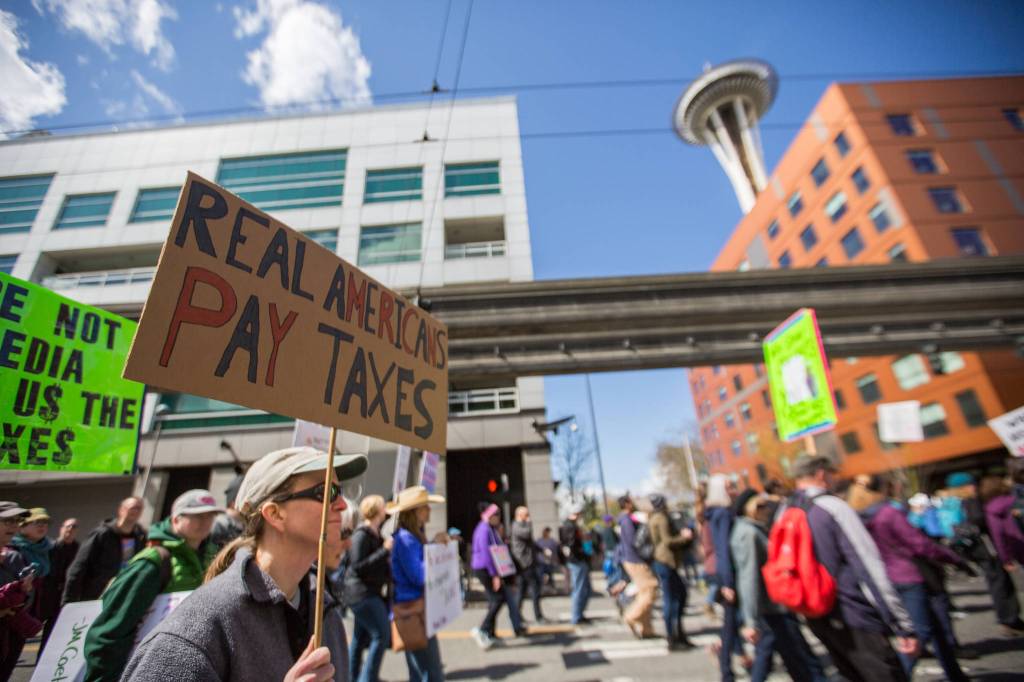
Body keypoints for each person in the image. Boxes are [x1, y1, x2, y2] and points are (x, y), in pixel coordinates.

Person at [122, 447, 368, 681]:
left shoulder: (325, 611)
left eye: (340, 491)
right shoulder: (197, 630)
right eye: (326, 493)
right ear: (274, 514)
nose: (342, 505)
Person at [787, 455, 916, 682]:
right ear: (820, 474)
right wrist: (901, 622)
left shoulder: (786, 511)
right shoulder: (832, 507)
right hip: (854, 611)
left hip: (816, 612)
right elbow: (868, 565)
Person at [83, 490, 223, 681]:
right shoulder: (152, 562)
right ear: (176, 520)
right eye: (198, 516)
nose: (205, 522)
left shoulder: (214, 558)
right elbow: (110, 631)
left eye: (210, 516)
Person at [848, 476, 970, 681]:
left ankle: (955, 673)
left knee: (934, 627)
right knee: (919, 633)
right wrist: (952, 558)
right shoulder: (887, 513)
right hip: (910, 575)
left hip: (888, 576)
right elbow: (919, 543)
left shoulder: (860, 518)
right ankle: (898, 676)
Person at [731, 489, 827, 682]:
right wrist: (750, 619)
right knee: (801, 659)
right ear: (750, 508)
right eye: (761, 506)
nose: (766, 509)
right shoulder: (748, 533)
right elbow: (748, 577)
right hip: (772, 608)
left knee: (792, 659)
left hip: (775, 605)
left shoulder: (755, 529)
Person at [944, 471, 1024, 636]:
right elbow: (978, 520)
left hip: (979, 549)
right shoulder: (970, 501)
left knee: (999, 582)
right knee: (999, 583)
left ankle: (1010, 618)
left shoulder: (956, 502)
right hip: (986, 548)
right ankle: (1009, 619)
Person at [389, 485, 448, 682]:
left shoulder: (410, 537)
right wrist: (436, 549)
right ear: (416, 512)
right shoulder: (407, 539)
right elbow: (419, 575)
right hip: (414, 611)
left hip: (414, 610)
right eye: (426, 506)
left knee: (420, 672)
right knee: (431, 673)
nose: (429, 510)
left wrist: (432, 546)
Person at [63, 497, 146, 604]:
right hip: (94, 597)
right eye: (133, 507)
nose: (136, 511)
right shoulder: (102, 534)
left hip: (122, 596)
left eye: (139, 508)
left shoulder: (140, 538)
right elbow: (78, 567)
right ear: (121, 510)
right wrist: (68, 602)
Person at [345, 495, 392, 682]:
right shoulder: (361, 534)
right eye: (382, 506)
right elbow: (358, 566)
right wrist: (384, 551)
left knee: (359, 639)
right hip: (362, 594)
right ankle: (367, 678)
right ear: (376, 510)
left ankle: (353, 677)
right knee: (381, 634)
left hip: (367, 592)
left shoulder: (375, 533)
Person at [705, 474, 746, 681]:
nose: (734, 490)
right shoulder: (722, 514)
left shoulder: (719, 513)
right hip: (729, 574)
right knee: (731, 622)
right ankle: (726, 667)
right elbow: (722, 548)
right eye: (730, 487)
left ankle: (731, 659)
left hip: (727, 573)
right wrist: (727, 582)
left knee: (733, 622)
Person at [471, 503, 525, 649]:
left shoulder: (488, 529)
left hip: (488, 569)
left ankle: (490, 633)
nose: (499, 518)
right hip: (485, 569)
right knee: (497, 599)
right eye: (497, 515)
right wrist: (494, 575)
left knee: (494, 599)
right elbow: (487, 553)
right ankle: (483, 629)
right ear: (490, 515)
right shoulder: (484, 529)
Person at [647, 494, 694, 649]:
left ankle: (677, 633)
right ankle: (672, 636)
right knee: (672, 599)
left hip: (665, 561)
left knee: (678, 596)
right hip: (665, 561)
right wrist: (684, 537)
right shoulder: (660, 518)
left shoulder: (655, 517)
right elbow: (667, 540)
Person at [0, 501, 38, 681]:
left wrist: (24, 590)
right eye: (8, 521)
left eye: (17, 521)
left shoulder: (13, 556)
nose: (14, 526)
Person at [616, 495, 657, 638]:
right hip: (635, 560)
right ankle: (631, 616)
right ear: (626, 504)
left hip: (632, 559)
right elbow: (635, 543)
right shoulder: (627, 521)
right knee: (650, 589)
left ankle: (646, 629)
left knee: (643, 592)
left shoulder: (626, 521)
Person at [11, 509, 54, 633]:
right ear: (22, 527)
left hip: (36, 606)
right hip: (15, 606)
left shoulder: (49, 548)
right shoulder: (12, 548)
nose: (43, 526)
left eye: (45, 522)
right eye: (37, 522)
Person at [40, 518, 80, 647]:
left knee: (53, 631)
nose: (70, 529)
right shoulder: (51, 547)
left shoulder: (78, 549)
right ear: (61, 528)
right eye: (67, 526)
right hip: (47, 593)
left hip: (64, 595)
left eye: (73, 527)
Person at [510, 505, 546, 624]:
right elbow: (526, 534)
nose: (528, 517)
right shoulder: (516, 526)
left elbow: (531, 543)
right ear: (520, 515)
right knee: (534, 589)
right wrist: (529, 523)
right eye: (526, 515)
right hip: (524, 563)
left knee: (522, 591)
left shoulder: (522, 526)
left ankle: (517, 616)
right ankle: (537, 616)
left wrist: (542, 550)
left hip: (528, 563)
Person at [982, 475, 1024, 572]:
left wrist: (1006, 559)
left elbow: (998, 536)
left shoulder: (991, 509)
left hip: (1020, 548)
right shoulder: (1016, 500)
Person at [560, 502, 592, 625]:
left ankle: (579, 614)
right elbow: (571, 545)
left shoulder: (572, 526)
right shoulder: (570, 526)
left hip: (578, 560)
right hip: (577, 561)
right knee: (579, 588)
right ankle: (576, 616)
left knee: (583, 588)